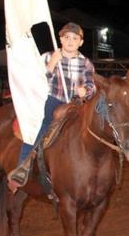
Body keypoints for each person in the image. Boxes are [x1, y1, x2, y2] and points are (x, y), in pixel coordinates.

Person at [7, 23, 96, 189]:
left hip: (75, 103)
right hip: (52, 100)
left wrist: (86, 91)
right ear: (61, 39)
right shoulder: (48, 56)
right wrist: (51, 65)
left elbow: (91, 84)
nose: (70, 41)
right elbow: (35, 80)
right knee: (42, 127)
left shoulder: (86, 63)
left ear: (80, 42)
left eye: (75, 38)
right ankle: (22, 167)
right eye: (67, 37)